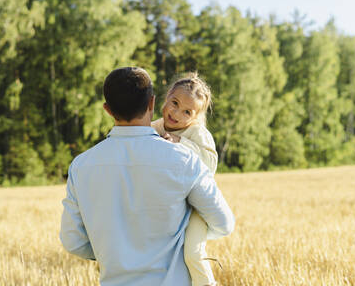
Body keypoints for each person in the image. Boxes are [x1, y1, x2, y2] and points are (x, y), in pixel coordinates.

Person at [60, 67, 234, 286]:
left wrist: (117, 252)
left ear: (107, 109)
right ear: (152, 103)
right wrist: (181, 244)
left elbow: (72, 241)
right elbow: (224, 223)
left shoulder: (80, 167)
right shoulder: (185, 160)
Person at [151, 73, 218, 286]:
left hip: (197, 205)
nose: (176, 113)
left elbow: (210, 164)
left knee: (192, 253)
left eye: (187, 112)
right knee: (162, 257)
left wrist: (180, 143)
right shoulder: (154, 128)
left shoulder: (197, 133)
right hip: (168, 205)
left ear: (195, 117)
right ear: (167, 96)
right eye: (175, 103)